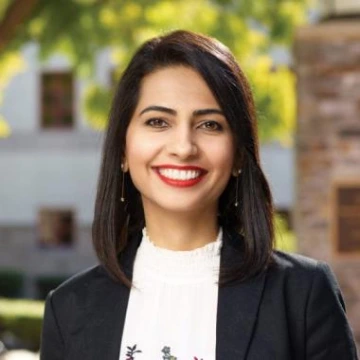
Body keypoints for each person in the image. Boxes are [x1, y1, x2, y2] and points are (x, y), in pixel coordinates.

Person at [40, 30, 358, 360]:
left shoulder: (301, 294)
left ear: (237, 154)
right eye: (158, 121)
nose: (183, 147)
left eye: (209, 125)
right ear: (123, 148)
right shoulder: (70, 309)